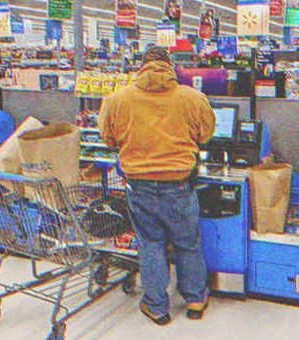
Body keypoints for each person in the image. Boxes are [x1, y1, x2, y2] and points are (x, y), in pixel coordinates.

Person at [99, 45, 215, 325]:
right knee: (187, 243)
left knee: (151, 244)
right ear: (170, 65)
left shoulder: (117, 99)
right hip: (179, 183)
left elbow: (108, 138)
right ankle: (196, 299)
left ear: (141, 65)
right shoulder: (192, 98)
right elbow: (206, 133)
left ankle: (157, 306)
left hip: (139, 185)